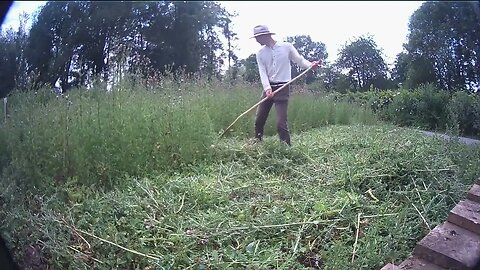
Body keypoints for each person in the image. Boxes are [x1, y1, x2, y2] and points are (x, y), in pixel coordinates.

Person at [251, 25, 321, 146]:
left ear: (265, 35)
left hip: (283, 87)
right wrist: (267, 89)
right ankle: (257, 143)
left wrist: (311, 65)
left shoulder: (286, 47)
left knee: (280, 123)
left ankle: (287, 148)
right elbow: (262, 72)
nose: (256, 40)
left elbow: (299, 60)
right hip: (269, 88)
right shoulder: (260, 53)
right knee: (259, 120)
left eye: (257, 37)